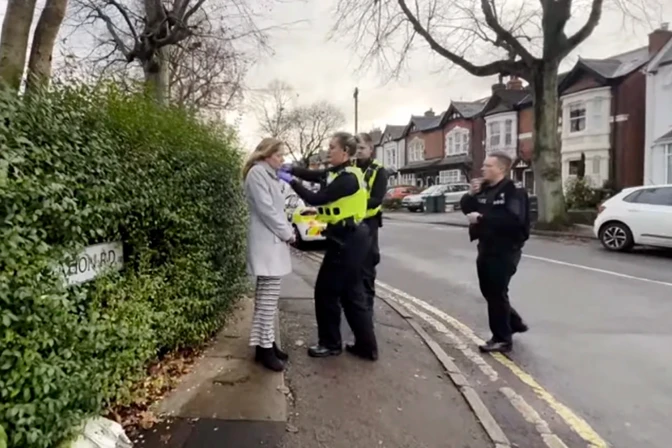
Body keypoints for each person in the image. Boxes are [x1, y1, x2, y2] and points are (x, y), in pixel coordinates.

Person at [279, 132, 378, 361]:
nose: (328, 150)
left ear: (345, 152)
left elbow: (316, 199)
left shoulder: (348, 179)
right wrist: (292, 169)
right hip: (350, 237)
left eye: (332, 147)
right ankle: (366, 346)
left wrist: (291, 181)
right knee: (351, 294)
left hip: (348, 239)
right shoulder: (340, 173)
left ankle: (331, 344)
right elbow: (315, 175)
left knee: (325, 292)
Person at [459, 151, 530, 354]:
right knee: (489, 291)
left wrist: (481, 219)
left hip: (506, 248)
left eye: (488, 166)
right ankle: (513, 322)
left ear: (501, 168)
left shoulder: (513, 191)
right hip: (486, 245)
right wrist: (470, 195)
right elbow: (466, 208)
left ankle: (502, 339)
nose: (483, 169)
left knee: (497, 292)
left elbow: (513, 220)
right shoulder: (485, 188)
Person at [243, 138, 295, 372]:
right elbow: (268, 211)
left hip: (272, 243)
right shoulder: (257, 174)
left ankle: (265, 345)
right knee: (266, 302)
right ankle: (264, 349)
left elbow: (278, 209)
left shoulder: (269, 175)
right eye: (279, 155)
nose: (282, 159)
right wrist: (288, 234)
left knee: (267, 301)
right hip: (267, 244)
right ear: (266, 154)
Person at [355, 133, 388, 313]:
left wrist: (353, 206)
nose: (358, 152)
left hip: (368, 223)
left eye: (362, 148)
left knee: (367, 267)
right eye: (356, 148)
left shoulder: (378, 170)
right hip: (351, 223)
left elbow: (376, 199)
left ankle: (367, 309)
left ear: (370, 149)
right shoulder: (351, 167)